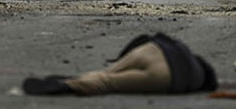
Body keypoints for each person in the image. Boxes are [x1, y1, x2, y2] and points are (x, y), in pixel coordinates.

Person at [22, 32, 218, 95]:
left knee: (108, 72)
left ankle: (90, 76)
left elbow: (144, 38)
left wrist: (121, 58)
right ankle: (71, 85)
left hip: (152, 50)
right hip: (167, 75)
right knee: (110, 83)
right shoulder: (197, 79)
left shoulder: (183, 49)